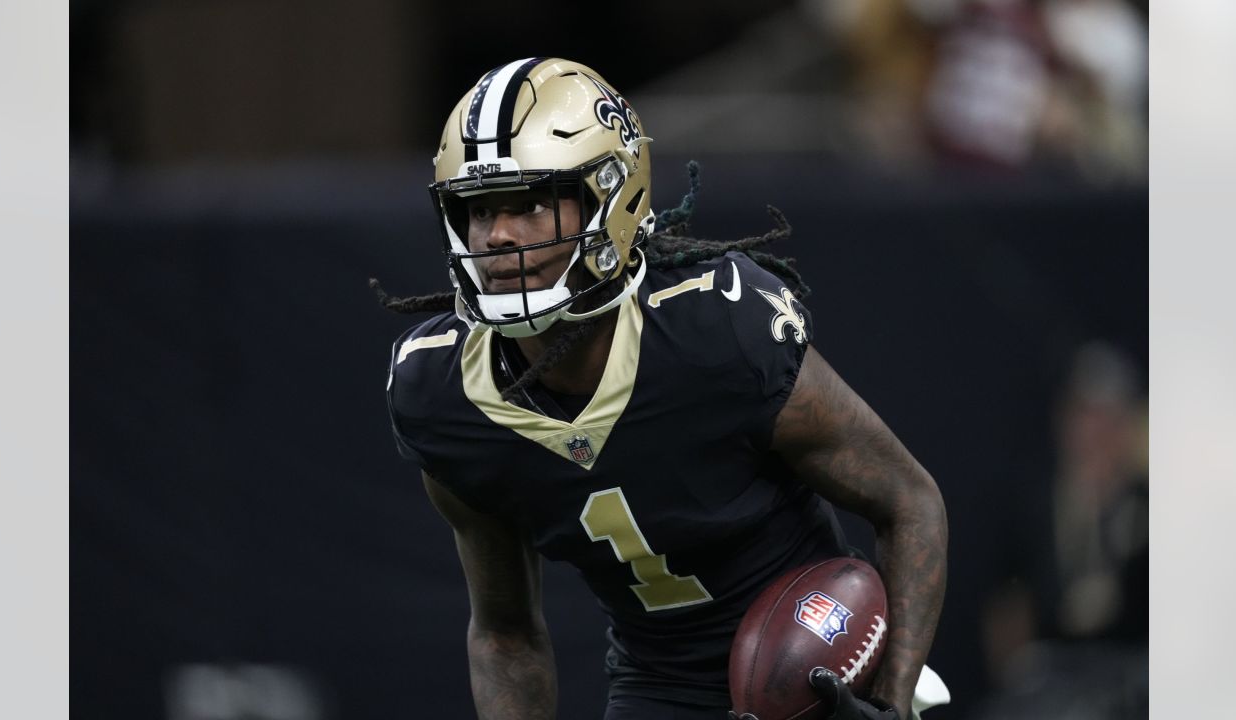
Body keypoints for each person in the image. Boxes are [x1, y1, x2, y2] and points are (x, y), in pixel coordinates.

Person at [373, 58, 948, 720]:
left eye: (528, 203)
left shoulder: (715, 330)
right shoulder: (441, 395)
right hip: (657, 683)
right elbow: (505, 632)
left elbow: (909, 500)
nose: (498, 234)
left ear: (609, 198)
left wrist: (893, 698)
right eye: (476, 209)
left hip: (813, 654)